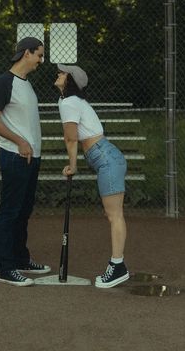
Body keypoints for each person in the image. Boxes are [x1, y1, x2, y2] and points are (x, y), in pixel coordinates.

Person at [55, 64, 130, 288]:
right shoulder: (68, 102)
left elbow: (71, 139)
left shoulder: (69, 102)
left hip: (106, 158)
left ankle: (118, 267)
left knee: (114, 215)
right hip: (106, 157)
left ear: (69, 80)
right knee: (113, 215)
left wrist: (72, 166)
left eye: (62, 73)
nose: (58, 74)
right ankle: (118, 266)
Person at [0, 37, 51, 287]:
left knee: (23, 212)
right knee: (10, 212)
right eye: (39, 55)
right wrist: (20, 141)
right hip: (15, 156)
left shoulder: (26, 84)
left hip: (30, 158)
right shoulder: (5, 82)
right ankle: (5, 268)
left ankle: (21, 259)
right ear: (26, 53)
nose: (40, 61)